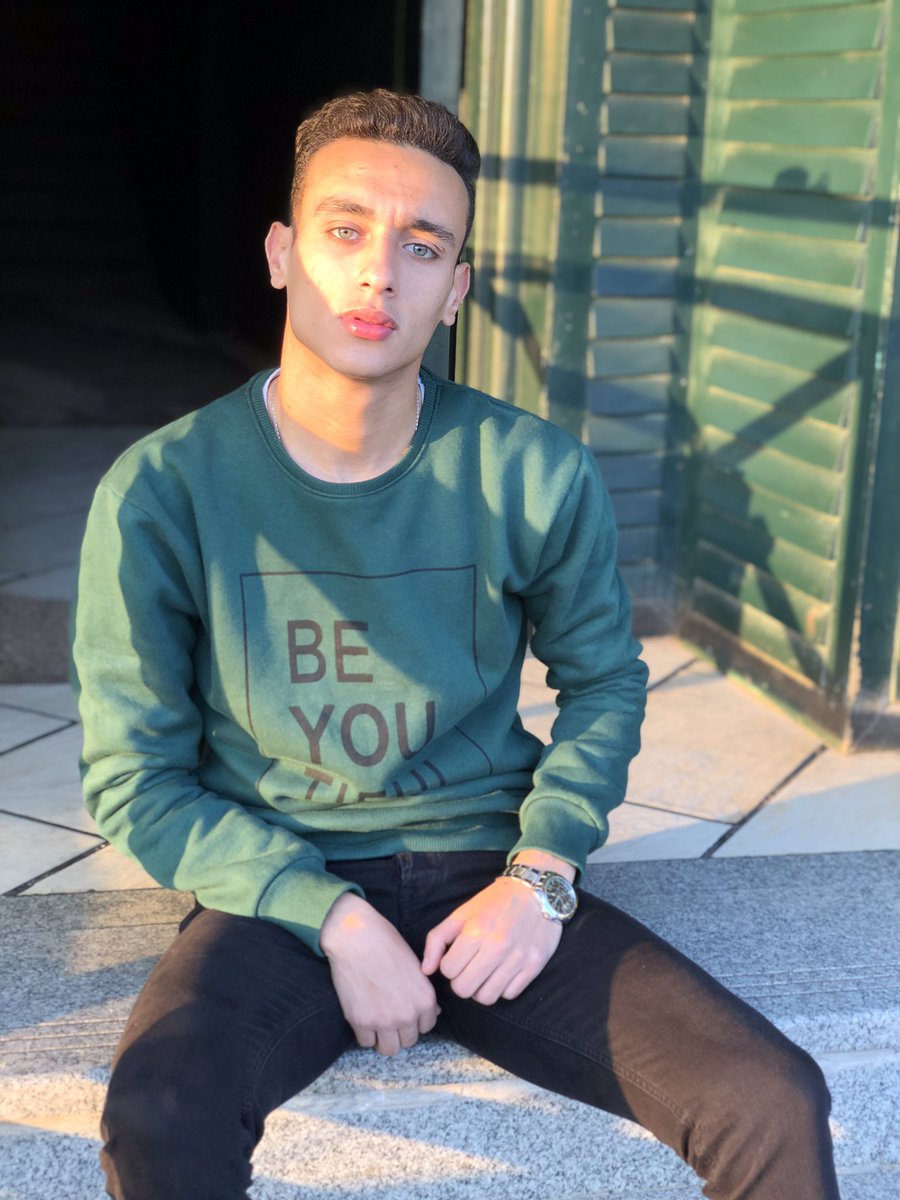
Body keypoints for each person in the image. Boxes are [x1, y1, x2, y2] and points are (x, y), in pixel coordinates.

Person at [72, 89, 840, 1200]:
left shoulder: (531, 471)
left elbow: (605, 682)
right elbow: (135, 779)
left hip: (490, 873)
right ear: (282, 254)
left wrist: (543, 874)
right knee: (161, 1114)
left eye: (423, 246)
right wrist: (332, 917)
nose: (380, 273)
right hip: (275, 884)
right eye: (345, 231)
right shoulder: (163, 489)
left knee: (770, 1100)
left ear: (456, 292)